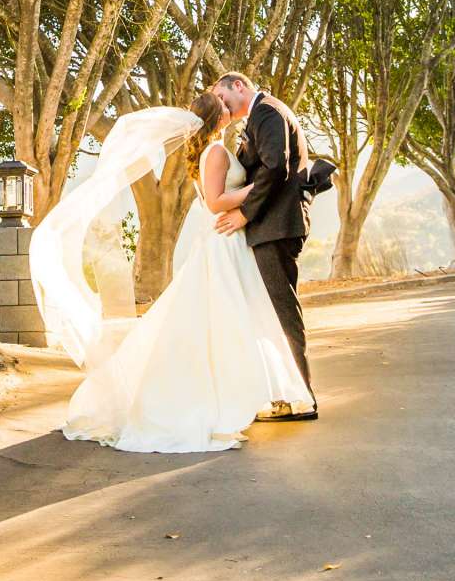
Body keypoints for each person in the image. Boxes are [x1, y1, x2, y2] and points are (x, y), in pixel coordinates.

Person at [45, 88, 316, 454]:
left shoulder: (214, 149)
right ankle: (237, 397)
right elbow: (217, 201)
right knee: (233, 319)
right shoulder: (216, 151)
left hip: (228, 241)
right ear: (217, 118)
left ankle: (253, 393)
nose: (230, 109)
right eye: (224, 107)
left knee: (237, 319)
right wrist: (255, 190)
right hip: (225, 242)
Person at [206, 70, 318, 419]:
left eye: (223, 97)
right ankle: (288, 395)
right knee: (274, 310)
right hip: (272, 225)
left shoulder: (267, 112)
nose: (221, 106)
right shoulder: (261, 114)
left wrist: (244, 215)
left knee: (283, 312)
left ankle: (303, 399)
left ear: (238, 86)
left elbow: (275, 168)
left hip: (276, 226)